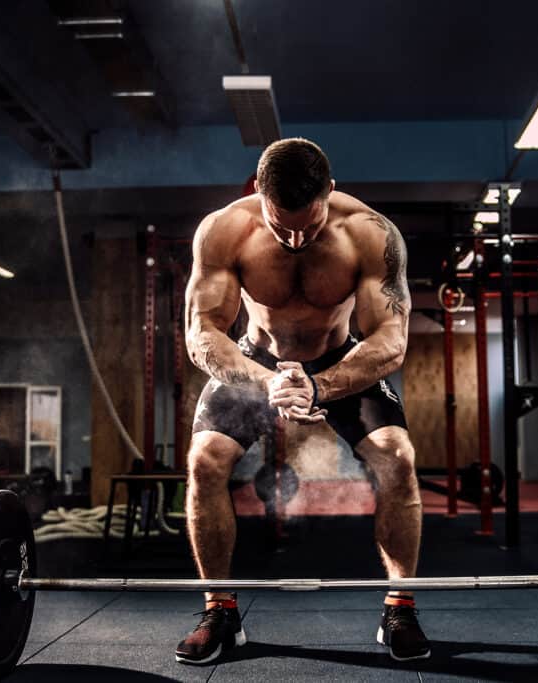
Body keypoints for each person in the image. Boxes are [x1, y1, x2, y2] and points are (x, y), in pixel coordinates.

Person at [176, 137, 427, 665]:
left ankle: (400, 607)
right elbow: (202, 333)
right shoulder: (225, 230)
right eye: (280, 224)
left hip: (339, 361)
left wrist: (321, 385)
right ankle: (218, 609)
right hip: (255, 362)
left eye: (308, 226)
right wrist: (264, 381)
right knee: (204, 461)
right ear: (259, 193)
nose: (293, 238)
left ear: (329, 193)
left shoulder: (370, 234)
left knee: (398, 459)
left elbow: (390, 339)